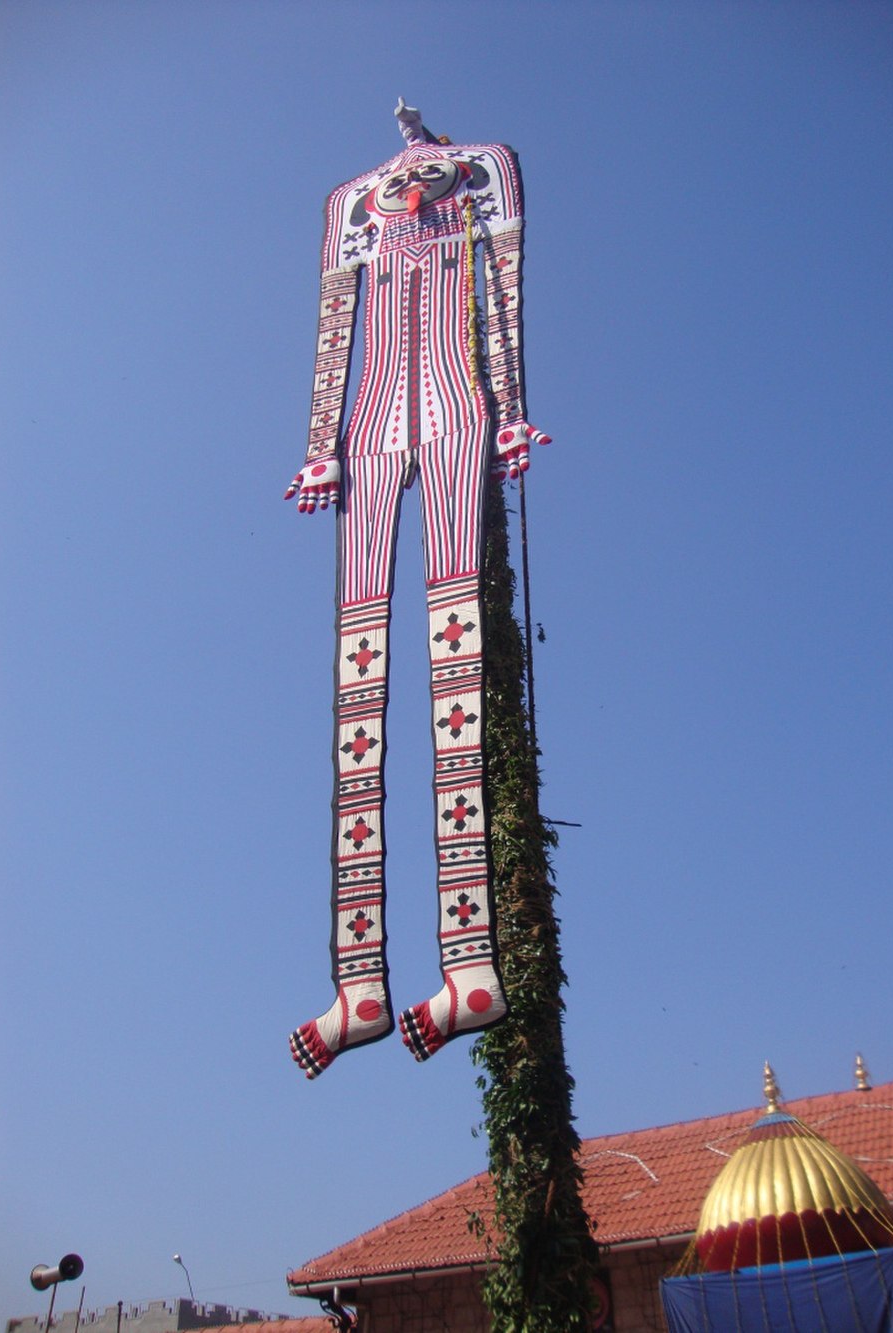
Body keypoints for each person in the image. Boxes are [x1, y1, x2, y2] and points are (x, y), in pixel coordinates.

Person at [286, 101, 549, 1077]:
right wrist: (320, 445)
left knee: (455, 664)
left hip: (456, 419)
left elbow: (502, 293)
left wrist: (511, 410)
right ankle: (361, 983)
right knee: (359, 671)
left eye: (424, 170)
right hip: (368, 436)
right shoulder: (356, 224)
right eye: (399, 176)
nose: (408, 181)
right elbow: (334, 326)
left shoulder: (475, 206)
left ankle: (469, 962)